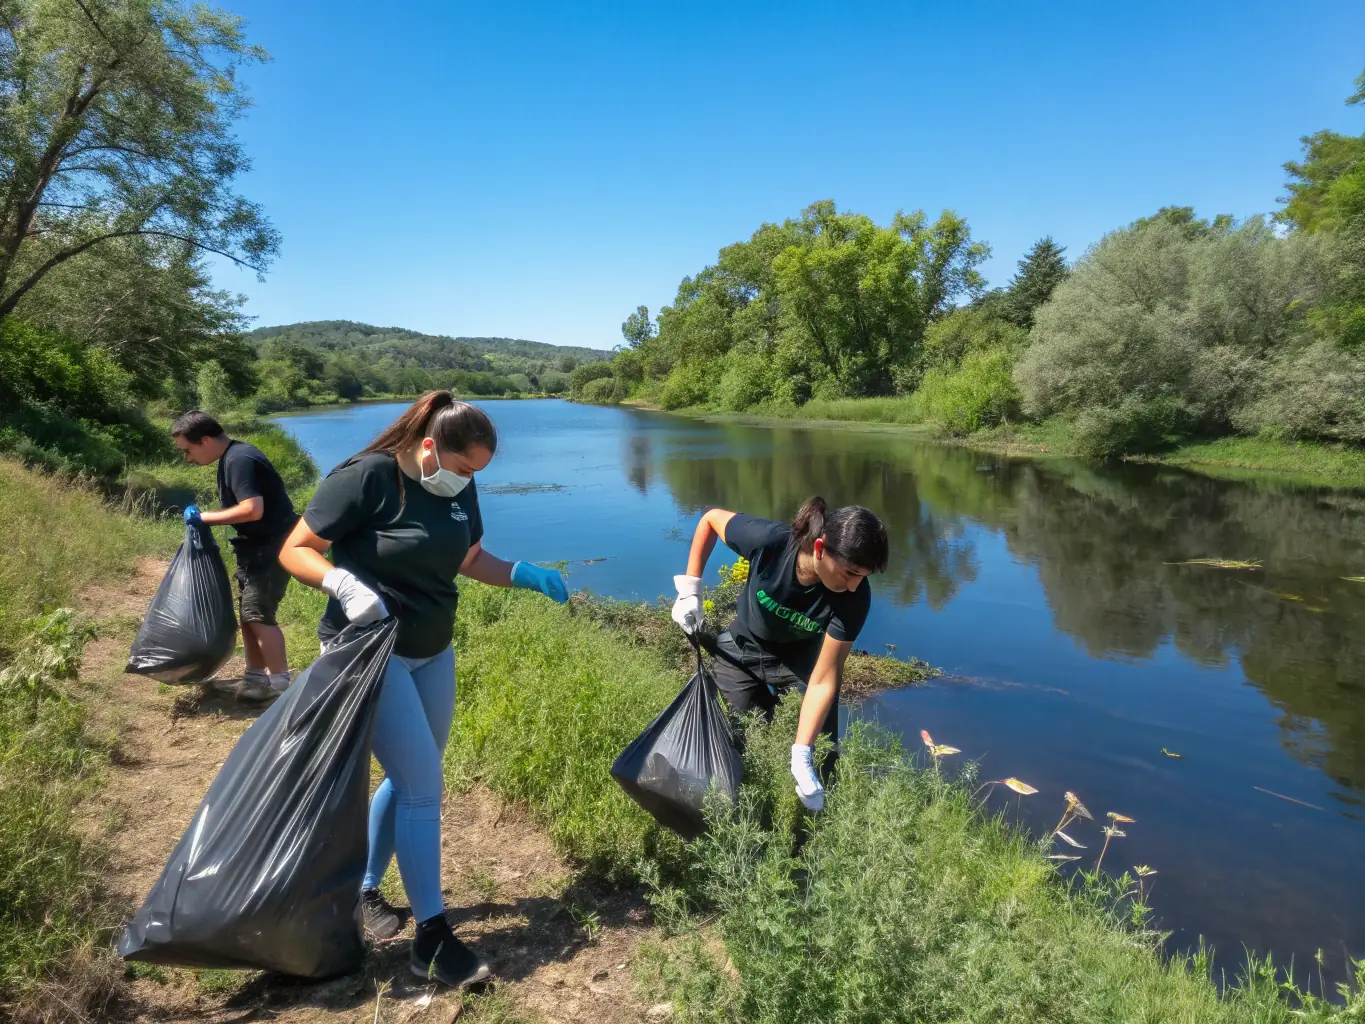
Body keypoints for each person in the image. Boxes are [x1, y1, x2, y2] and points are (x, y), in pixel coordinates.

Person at [277, 391, 569, 990]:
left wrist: (521, 575)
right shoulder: (367, 478)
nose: (468, 481)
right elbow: (295, 549)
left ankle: (363, 890)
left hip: (433, 652)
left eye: (477, 473)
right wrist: (341, 584)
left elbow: (469, 558)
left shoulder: (457, 484)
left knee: (411, 776)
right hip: (370, 653)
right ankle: (431, 941)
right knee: (422, 788)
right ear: (431, 447)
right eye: (465, 468)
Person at [671, 497, 888, 813]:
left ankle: (811, 833)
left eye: (863, 576)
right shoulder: (770, 542)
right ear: (819, 548)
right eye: (849, 572)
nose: (854, 585)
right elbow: (710, 519)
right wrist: (690, 590)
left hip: (799, 664)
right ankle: (740, 817)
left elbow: (825, 678)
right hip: (741, 647)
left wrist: (803, 751)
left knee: (821, 757)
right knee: (735, 738)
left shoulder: (854, 598)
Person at [172, 411, 298, 701]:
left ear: (204, 440)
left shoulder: (240, 459)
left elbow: (253, 509)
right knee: (249, 615)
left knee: (258, 614)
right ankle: (255, 679)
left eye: (188, 450)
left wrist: (204, 518)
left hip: (272, 548)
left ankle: (281, 689)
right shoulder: (230, 457)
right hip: (255, 547)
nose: (187, 458)